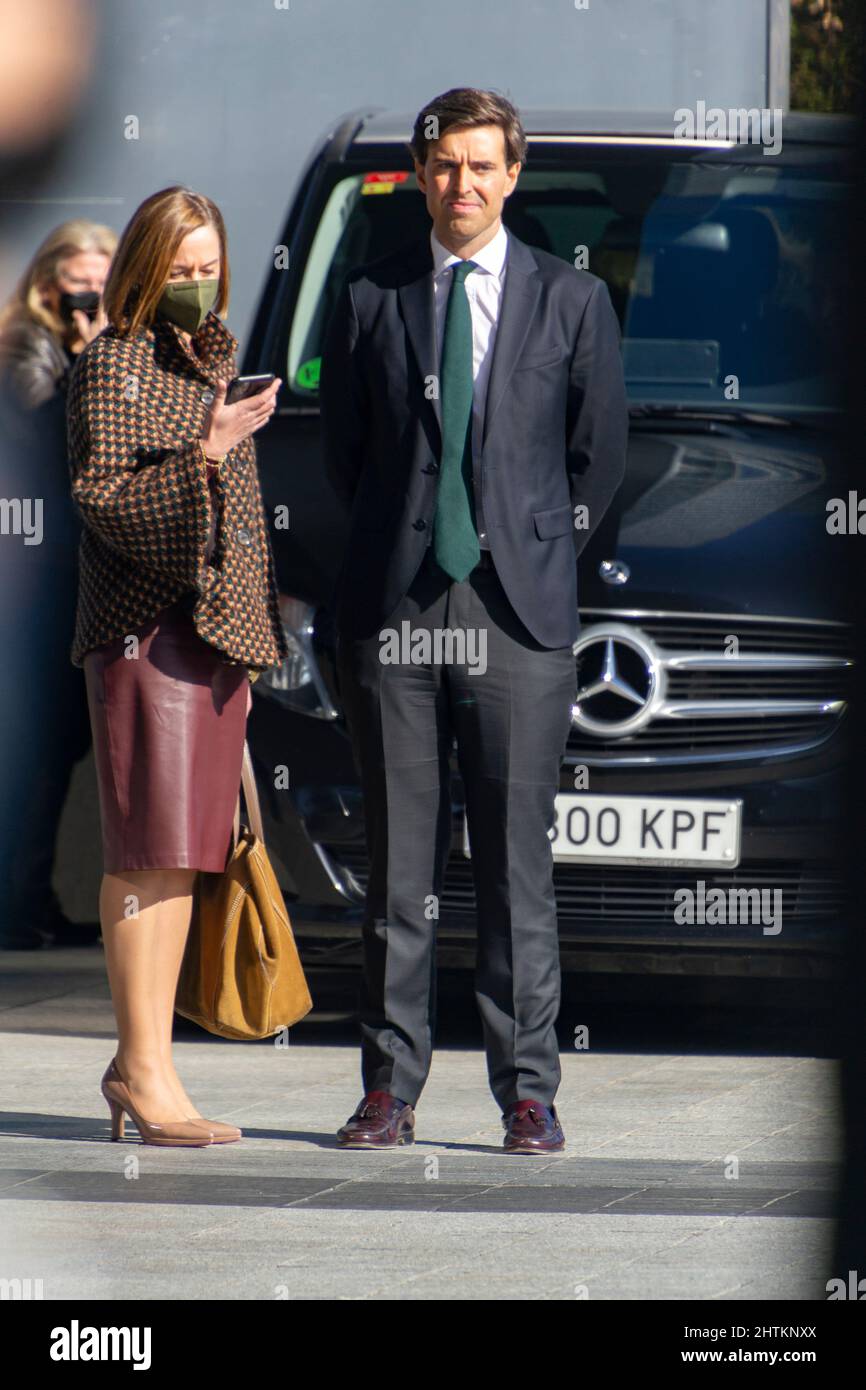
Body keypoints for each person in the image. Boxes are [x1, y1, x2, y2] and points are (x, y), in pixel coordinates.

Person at [320, 88, 628, 1153]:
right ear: (420, 175)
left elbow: (598, 459)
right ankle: (388, 1088)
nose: (461, 183)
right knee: (398, 867)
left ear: (512, 175)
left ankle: (527, 1092)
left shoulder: (569, 302)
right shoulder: (370, 295)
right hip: (395, 606)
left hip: (515, 613)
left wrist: (534, 552)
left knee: (512, 869)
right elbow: (347, 457)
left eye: (480, 165)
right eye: (443, 165)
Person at [66, 185, 288, 1146]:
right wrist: (207, 446)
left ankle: (145, 1065)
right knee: (146, 857)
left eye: (212, 271)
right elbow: (101, 497)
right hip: (143, 633)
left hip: (215, 638)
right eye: (182, 272)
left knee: (186, 861)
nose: (200, 289)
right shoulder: (110, 363)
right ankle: (142, 1070)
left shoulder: (213, 358)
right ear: (145, 272)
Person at [0, 220, 116, 949]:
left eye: (106, 286)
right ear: (47, 284)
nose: (92, 301)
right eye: (81, 284)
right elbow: (49, 433)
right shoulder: (22, 348)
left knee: (57, 746)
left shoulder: (56, 345)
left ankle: (29, 901)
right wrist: (93, 352)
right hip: (38, 584)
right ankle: (17, 907)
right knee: (42, 745)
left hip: (60, 580)